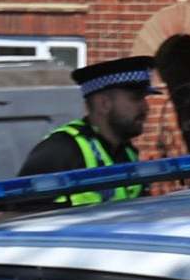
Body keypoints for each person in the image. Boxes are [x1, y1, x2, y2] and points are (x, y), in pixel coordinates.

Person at [18, 56, 157, 205]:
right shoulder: (60, 151)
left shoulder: (127, 152)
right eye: (136, 98)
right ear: (104, 104)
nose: (146, 107)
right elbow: (16, 219)